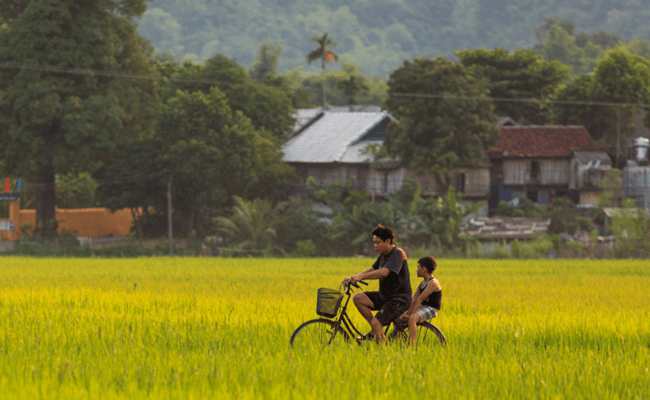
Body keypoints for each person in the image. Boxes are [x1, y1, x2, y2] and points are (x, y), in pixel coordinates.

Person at [342, 224, 411, 344]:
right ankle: (376, 331)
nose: (375, 246)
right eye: (374, 243)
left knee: (376, 323)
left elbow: (384, 272)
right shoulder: (383, 255)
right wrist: (352, 278)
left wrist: (360, 277)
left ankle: (382, 353)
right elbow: (373, 269)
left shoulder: (397, 253)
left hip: (398, 300)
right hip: (385, 296)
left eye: (378, 243)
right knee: (358, 298)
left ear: (388, 241)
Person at [397, 256, 441, 347]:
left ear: (424, 269)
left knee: (412, 318)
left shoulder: (433, 283)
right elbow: (414, 299)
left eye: (418, 267)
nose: (417, 270)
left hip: (432, 308)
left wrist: (409, 314)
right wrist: (406, 312)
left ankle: (410, 347)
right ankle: (400, 341)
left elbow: (420, 299)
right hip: (422, 307)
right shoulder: (422, 283)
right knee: (397, 316)